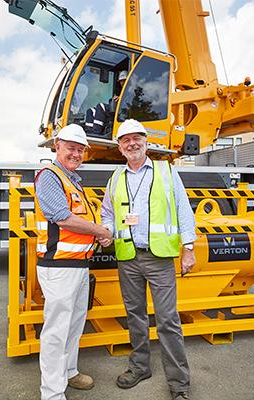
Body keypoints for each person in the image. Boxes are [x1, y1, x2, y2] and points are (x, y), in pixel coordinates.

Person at [100, 119, 197, 400]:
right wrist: (107, 230)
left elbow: (183, 209)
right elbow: (107, 212)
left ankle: (179, 383)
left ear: (146, 141)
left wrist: (188, 248)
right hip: (128, 256)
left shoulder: (166, 171)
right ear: (119, 147)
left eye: (136, 138)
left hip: (159, 257)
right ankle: (140, 366)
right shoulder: (116, 178)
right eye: (125, 140)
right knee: (135, 316)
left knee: (168, 320)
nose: (132, 144)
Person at [34, 124, 113, 400]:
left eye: (80, 150)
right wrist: (100, 232)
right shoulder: (49, 176)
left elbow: (81, 221)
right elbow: (62, 217)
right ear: (57, 146)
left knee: (74, 325)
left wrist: (97, 235)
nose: (76, 153)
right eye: (71, 148)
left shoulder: (73, 180)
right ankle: (52, 393)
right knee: (56, 330)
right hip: (59, 267)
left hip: (78, 266)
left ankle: (69, 372)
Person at [84, 70, 128, 138]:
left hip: (121, 113)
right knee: (91, 111)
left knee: (101, 106)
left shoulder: (131, 90)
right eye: (121, 81)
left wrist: (121, 99)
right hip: (115, 109)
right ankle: (89, 132)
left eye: (124, 80)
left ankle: (96, 132)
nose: (122, 82)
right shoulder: (120, 91)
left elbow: (129, 103)